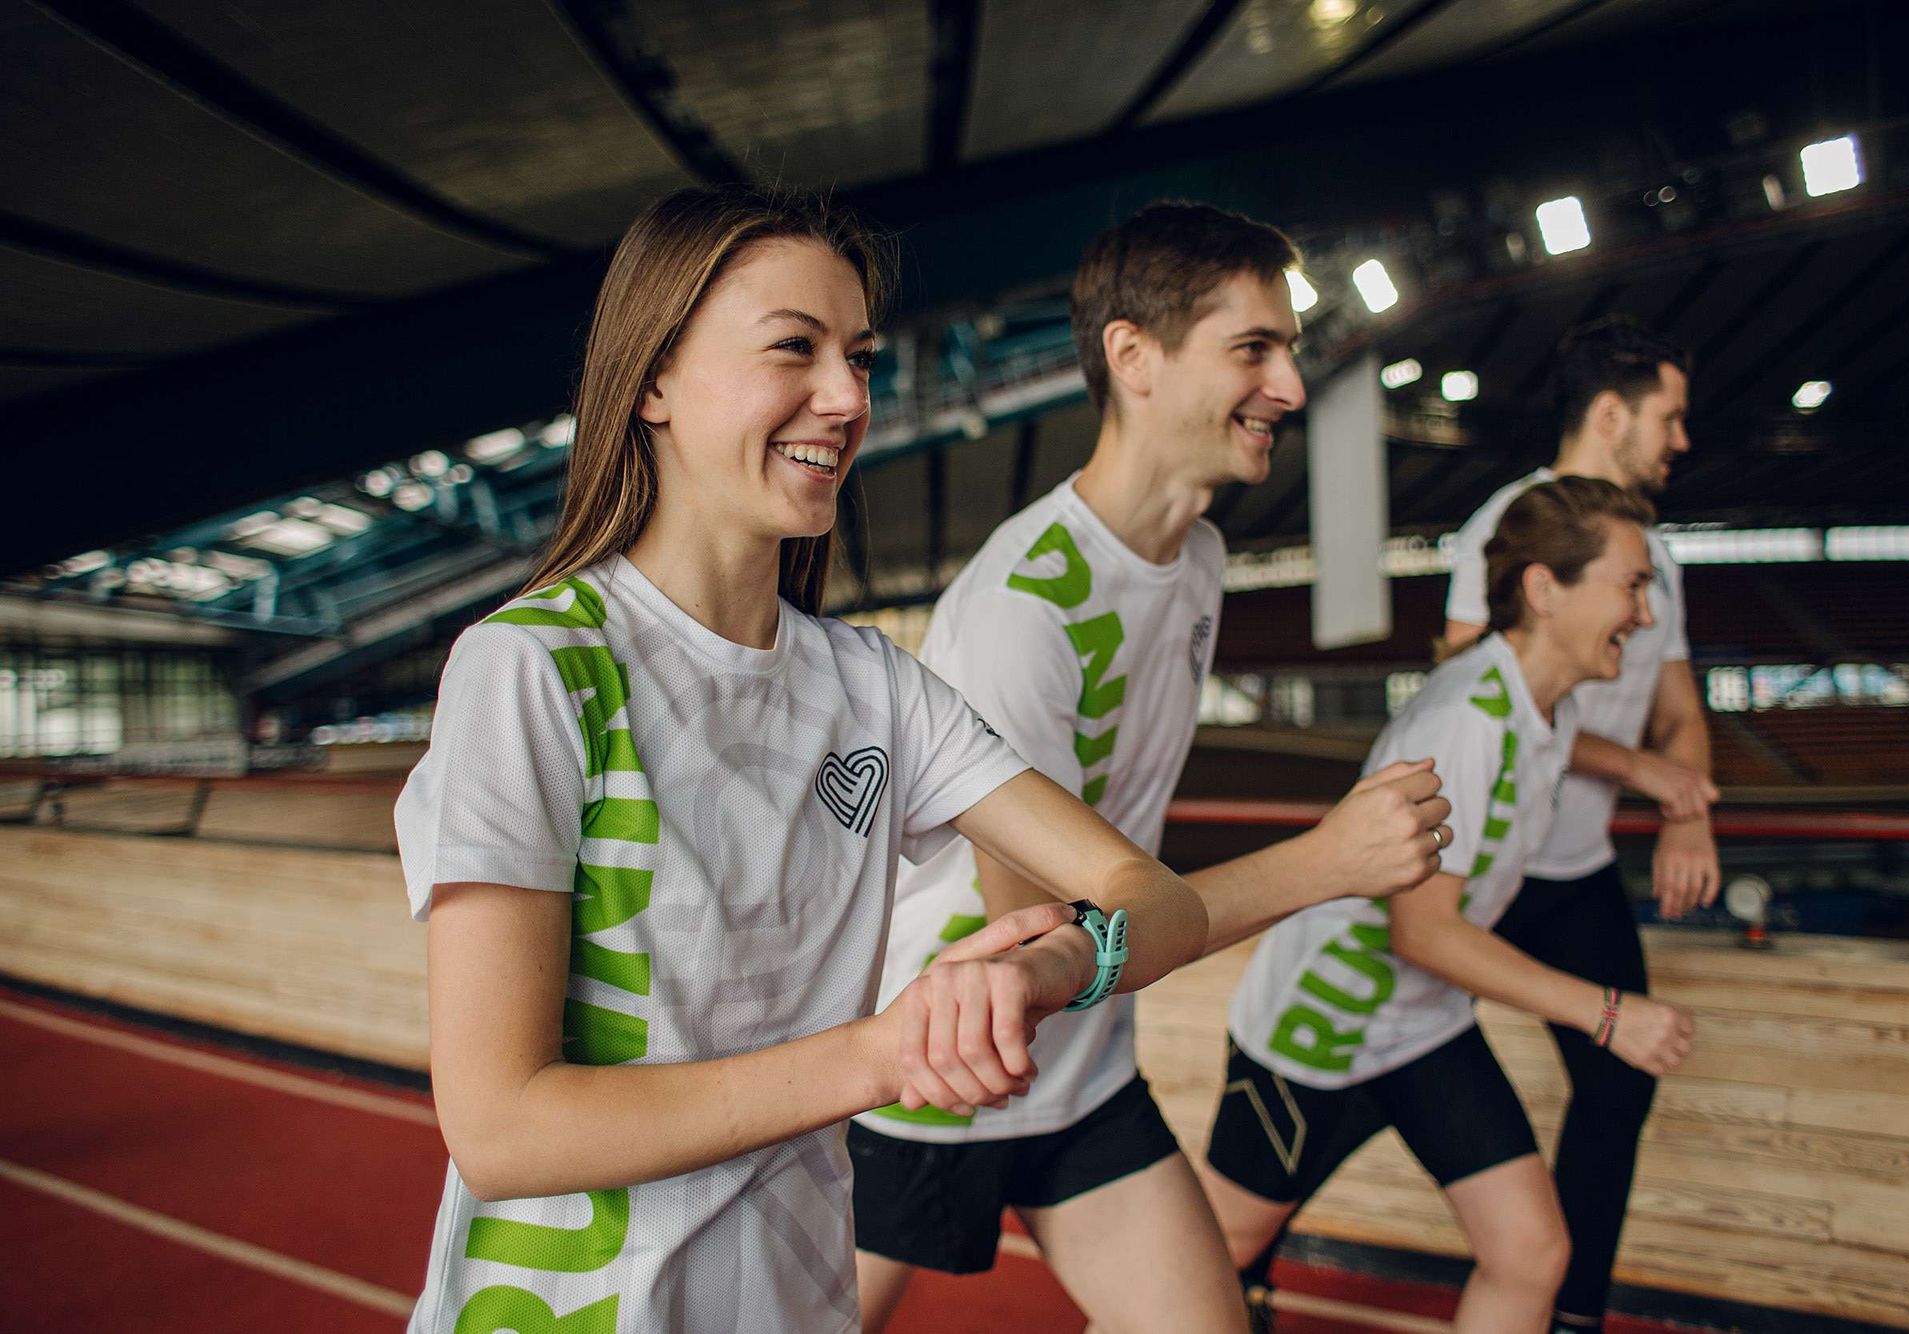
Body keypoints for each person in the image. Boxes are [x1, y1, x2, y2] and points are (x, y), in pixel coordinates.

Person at [393, 187, 1238, 1334]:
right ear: (650, 382)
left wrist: (1034, 977)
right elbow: (500, 1129)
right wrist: (889, 1051)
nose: (846, 397)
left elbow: (1156, 901)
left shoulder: (870, 687)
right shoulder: (531, 665)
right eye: (793, 347)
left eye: (859, 357)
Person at [851, 202, 1452, 1334]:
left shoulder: (1201, 556)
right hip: (939, 1067)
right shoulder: (1024, 605)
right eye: (1251, 350)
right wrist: (1325, 861)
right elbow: (1043, 943)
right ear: (1133, 356)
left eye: (1286, 349)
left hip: (1081, 1070)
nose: (1286, 385)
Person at [1201, 476, 1698, 1334]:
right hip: (1320, 1031)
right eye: (1632, 585)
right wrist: (1606, 1015)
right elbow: (1424, 931)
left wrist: (1656, 776)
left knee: (1533, 1253)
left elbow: (1567, 743)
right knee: (1200, 1267)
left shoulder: (1533, 697)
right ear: (1545, 591)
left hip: (1421, 1027)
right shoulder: (1465, 719)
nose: (1646, 615)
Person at [1439, 316, 1717, 1333]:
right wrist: (1644, 769)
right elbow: (1475, 686)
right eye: (1667, 417)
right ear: (1610, 414)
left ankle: (1569, 1311)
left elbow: (1681, 710)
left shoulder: (1653, 558)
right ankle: (1246, 1242)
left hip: (1572, 866)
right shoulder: (1506, 529)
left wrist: (1683, 807)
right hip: (1476, 872)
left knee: (1617, 1083)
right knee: (1374, 1059)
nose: (1679, 440)